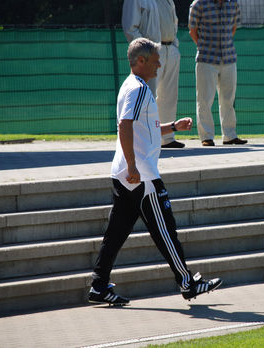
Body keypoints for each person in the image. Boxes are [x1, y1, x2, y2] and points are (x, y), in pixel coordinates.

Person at [88, 38, 222, 306]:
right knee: (166, 230)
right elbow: (125, 126)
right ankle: (187, 282)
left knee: (115, 234)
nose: (160, 64)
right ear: (141, 61)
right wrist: (134, 166)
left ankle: (99, 287)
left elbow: (143, 128)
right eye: (155, 60)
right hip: (141, 176)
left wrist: (173, 126)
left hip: (124, 174)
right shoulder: (137, 89)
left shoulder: (132, 86)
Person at [122, 0, 185, 149]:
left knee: (169, 96)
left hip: (170, 48)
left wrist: (174, 45)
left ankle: (167, 138)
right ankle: (144, 137)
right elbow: (130, 28)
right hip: (151, 52)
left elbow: (173, 22)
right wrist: (145, 51)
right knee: (146, 95)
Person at [188, 0, 247, 146]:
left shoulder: (233, 4)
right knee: (205, 99)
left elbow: (233, 28)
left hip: (228, 58)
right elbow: (192, 31)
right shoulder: (198, 4)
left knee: (228, 99)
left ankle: (230, 135)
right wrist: (204, 46)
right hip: (206, 58)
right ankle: (206, 137)